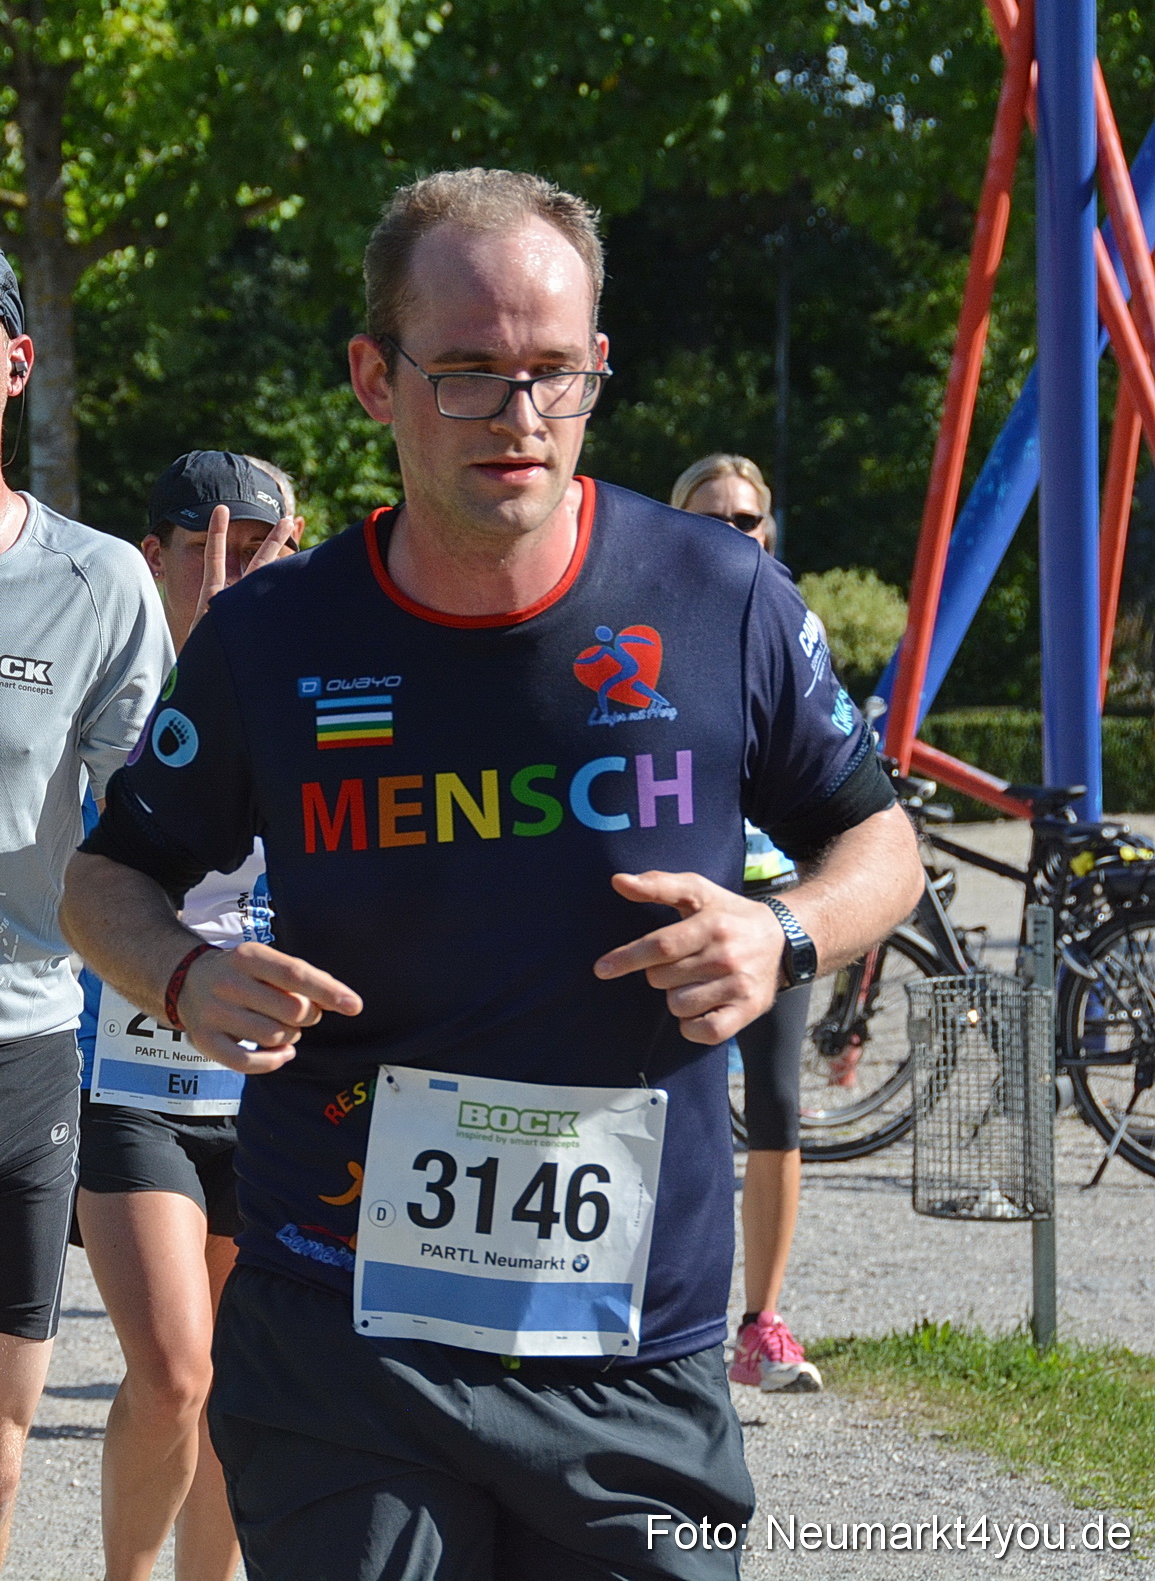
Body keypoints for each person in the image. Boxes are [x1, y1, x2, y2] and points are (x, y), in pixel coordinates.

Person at [62, 168, 923, 1581]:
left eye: (551, 374)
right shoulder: (276, 636)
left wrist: (782, 935)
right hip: (347, 1339)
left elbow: (874, 840)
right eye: (465, 375)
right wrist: (182, 968)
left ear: (595, 371)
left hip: (629, 1343)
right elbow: (109, 876)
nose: (517, 420)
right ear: (372, 377)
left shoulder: (717, 599)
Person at [75, 452, 295, 1581]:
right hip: (127, 1082)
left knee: (235, 1388)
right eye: (218, 552)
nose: (240, 577)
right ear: (154, 555)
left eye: (266, 555)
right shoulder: (114, 669)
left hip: (262, 1090)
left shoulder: (309, 680)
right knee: (173, 1371)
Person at [0, 252, 172, 1569]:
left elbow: (158, 829)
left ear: (17, 364)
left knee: (4, 1429)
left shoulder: (98, 580)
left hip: (21, 1036)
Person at [672, 452, 819, 1393]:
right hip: (680, 900)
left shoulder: (788, 623)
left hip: (771, 900)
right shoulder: (645, 612)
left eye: (748, 519)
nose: (734, 533)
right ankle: (655, 1319)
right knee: (666, 1112)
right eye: (713, 517)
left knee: (775, 1108)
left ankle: (761, 1325)